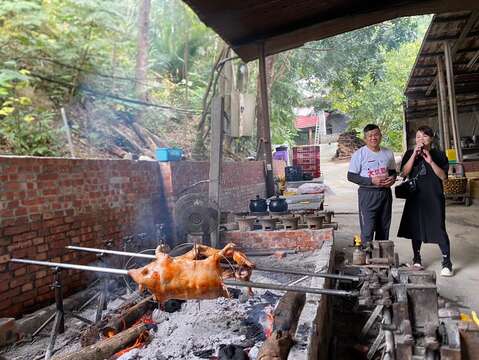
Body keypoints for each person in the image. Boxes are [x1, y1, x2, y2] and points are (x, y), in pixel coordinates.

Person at [397, 125, 453, 276]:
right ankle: (417, 258)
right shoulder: (410, 153)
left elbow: (443, 177)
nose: (421, 139)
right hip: (415, 197)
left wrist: (431, 161)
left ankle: (447, 263)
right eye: (418, 136)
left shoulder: (439, 155)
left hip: (434, 197)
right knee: (416, 228)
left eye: (425, 136)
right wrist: (414, 155)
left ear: (431, 139)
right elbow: (404, 173)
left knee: (439, 227)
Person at [347, 124, 397, 243]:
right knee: (367, 230)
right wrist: (371, 181)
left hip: (385, 194)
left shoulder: (388, 153)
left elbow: (393, 172)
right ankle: (367, 258)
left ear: (380, 136)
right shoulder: (359, 154)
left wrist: (392, 179)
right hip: (367, 194)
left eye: (376, 135)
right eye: (370, 136)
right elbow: (351, 176)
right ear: (365, 139)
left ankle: (381, 257)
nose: (373, 138)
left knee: (384, 228)